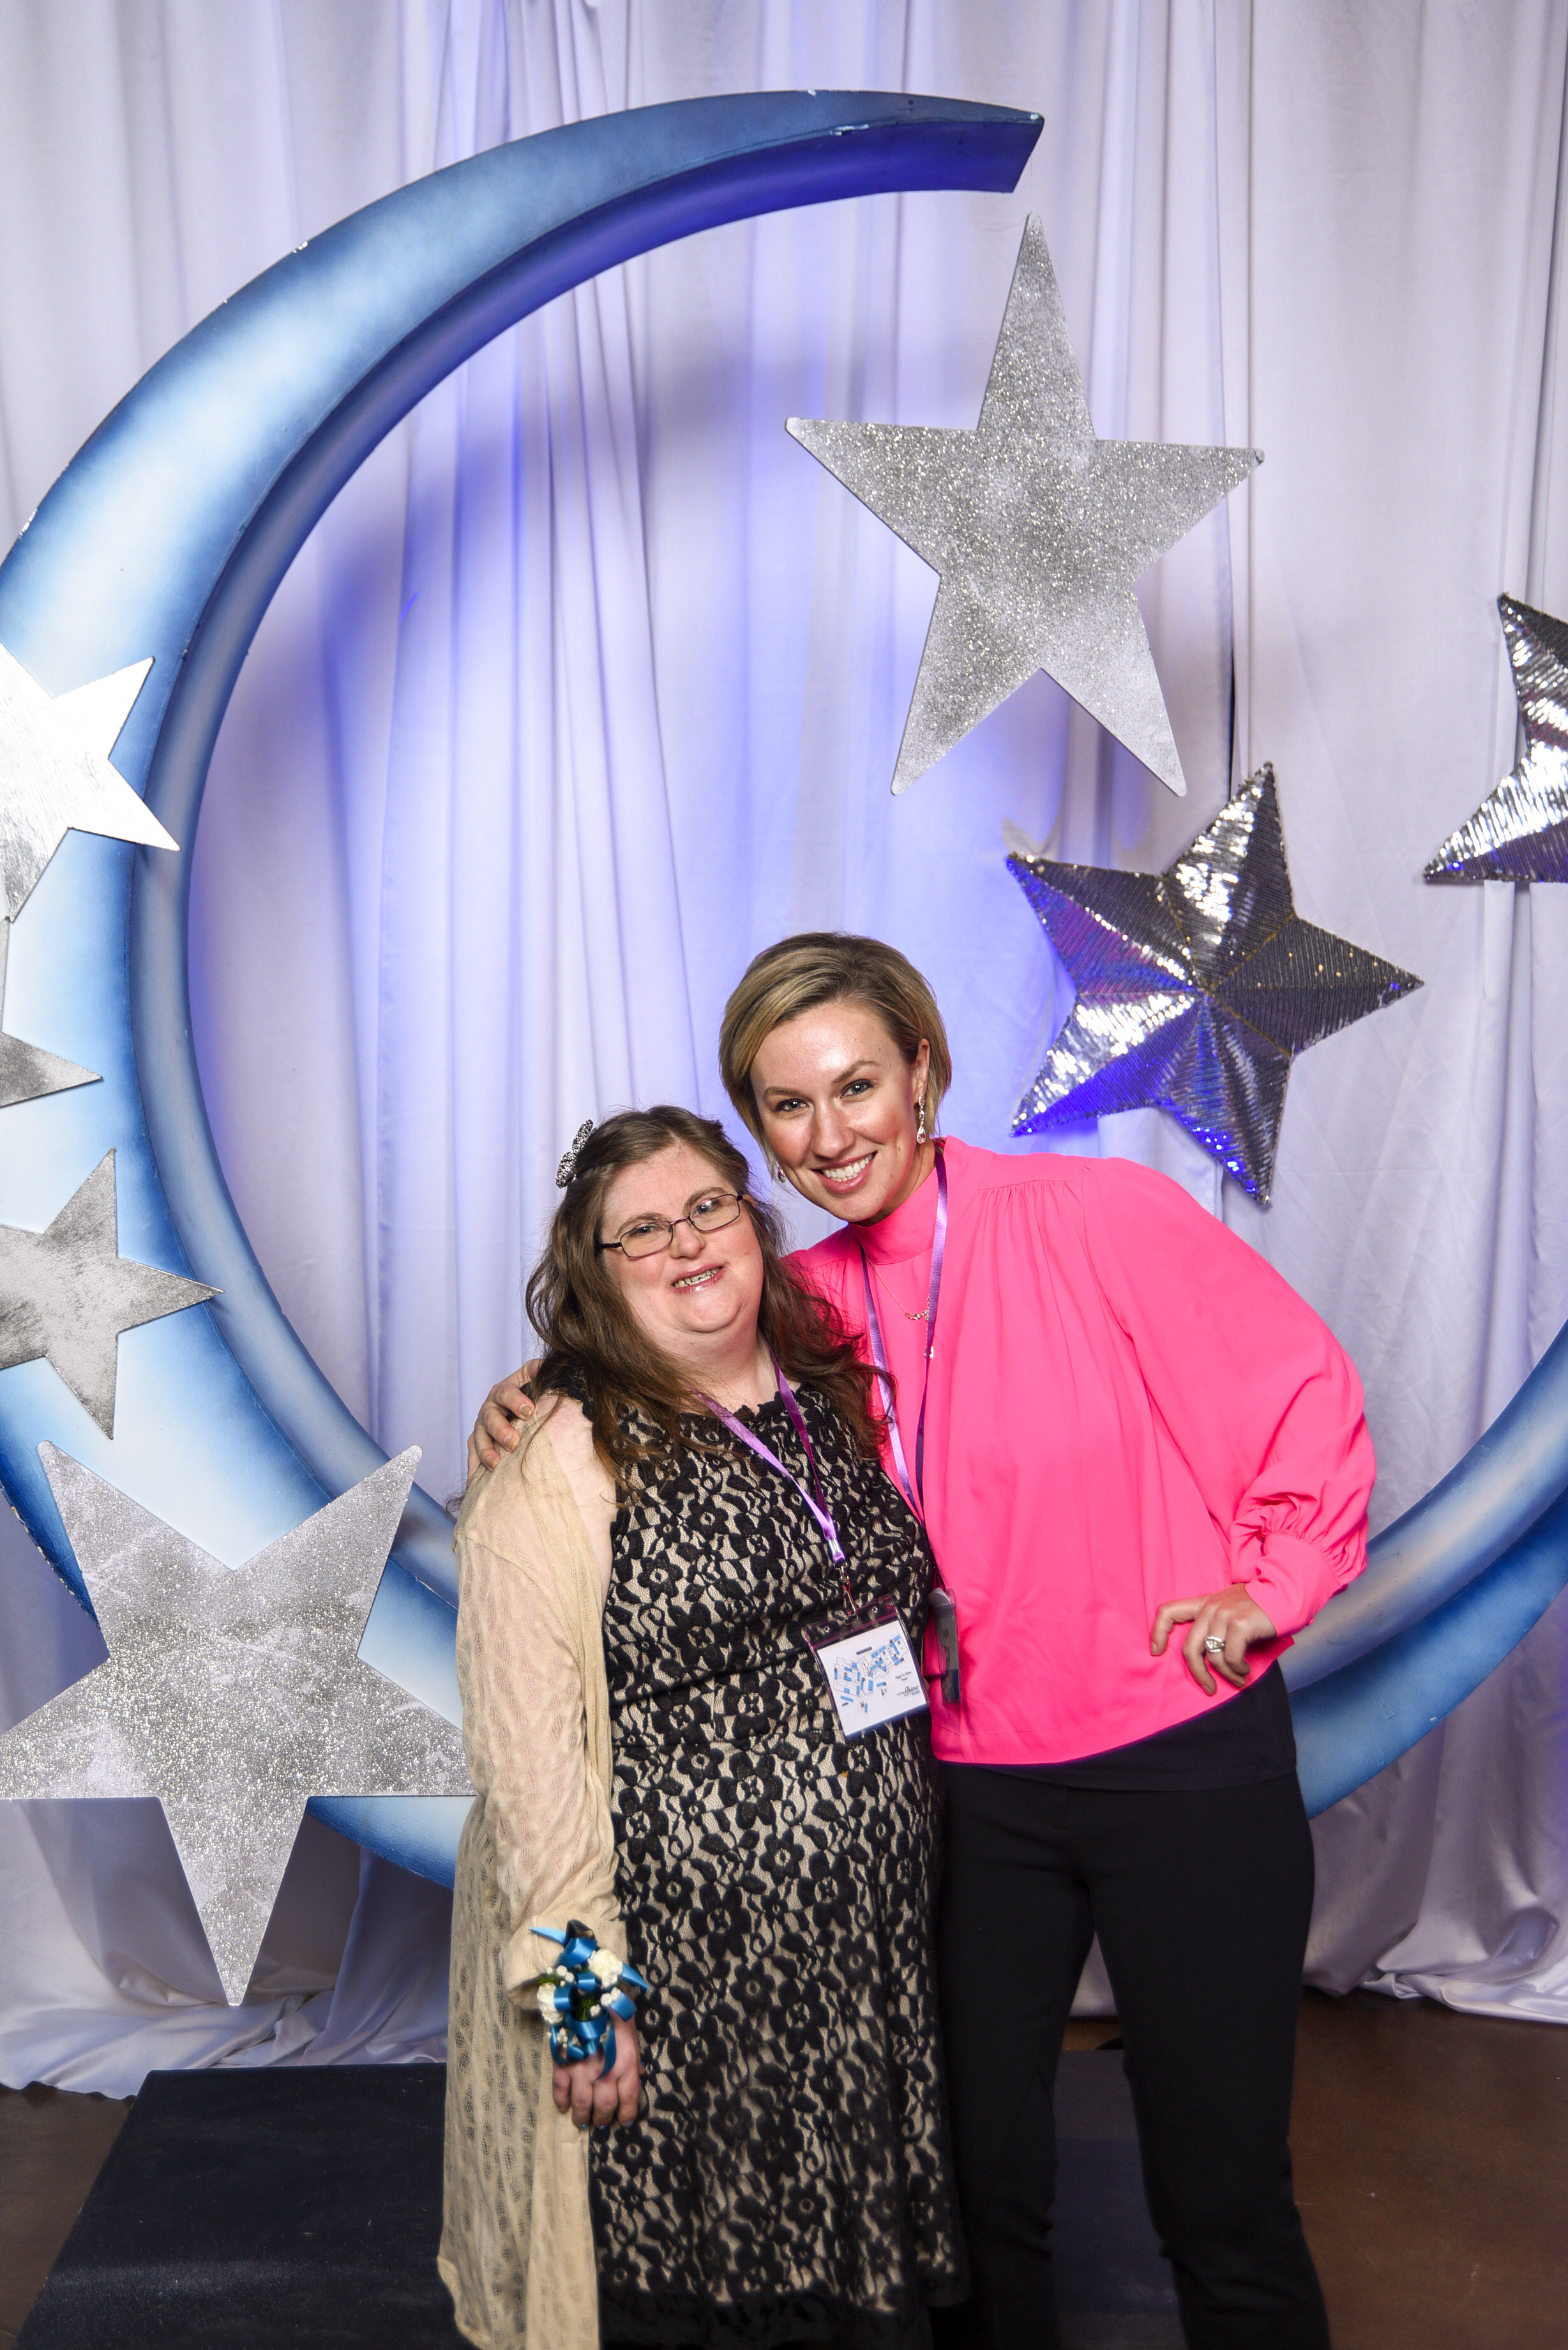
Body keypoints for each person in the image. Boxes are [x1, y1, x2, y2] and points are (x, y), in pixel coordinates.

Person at [472, 936, 1375, 2350]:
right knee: (975, 2200)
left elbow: (1298, 1386)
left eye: (857, 1086)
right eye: (788, 1106)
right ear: (761, 1133)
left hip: (1179, 1765)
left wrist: (1280, 1575)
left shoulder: (1096, 1213)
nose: (831, 1134)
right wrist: (537, 1386)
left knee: (1221, 2198)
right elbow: (652, 1325)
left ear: (924, 1074)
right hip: (969, 1795)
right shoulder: (799, 1302)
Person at [441, 1103, 965, 2350]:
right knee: (713, 2302)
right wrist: (585, 2003)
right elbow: (528, 1768)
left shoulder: (830, 1394)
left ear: (751, 1217)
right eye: (641, 1231)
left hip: (867, 1974)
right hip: (691, 1997)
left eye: (706, 1207)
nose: (686, 1243)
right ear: (596, 1272)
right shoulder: (561, 1454)